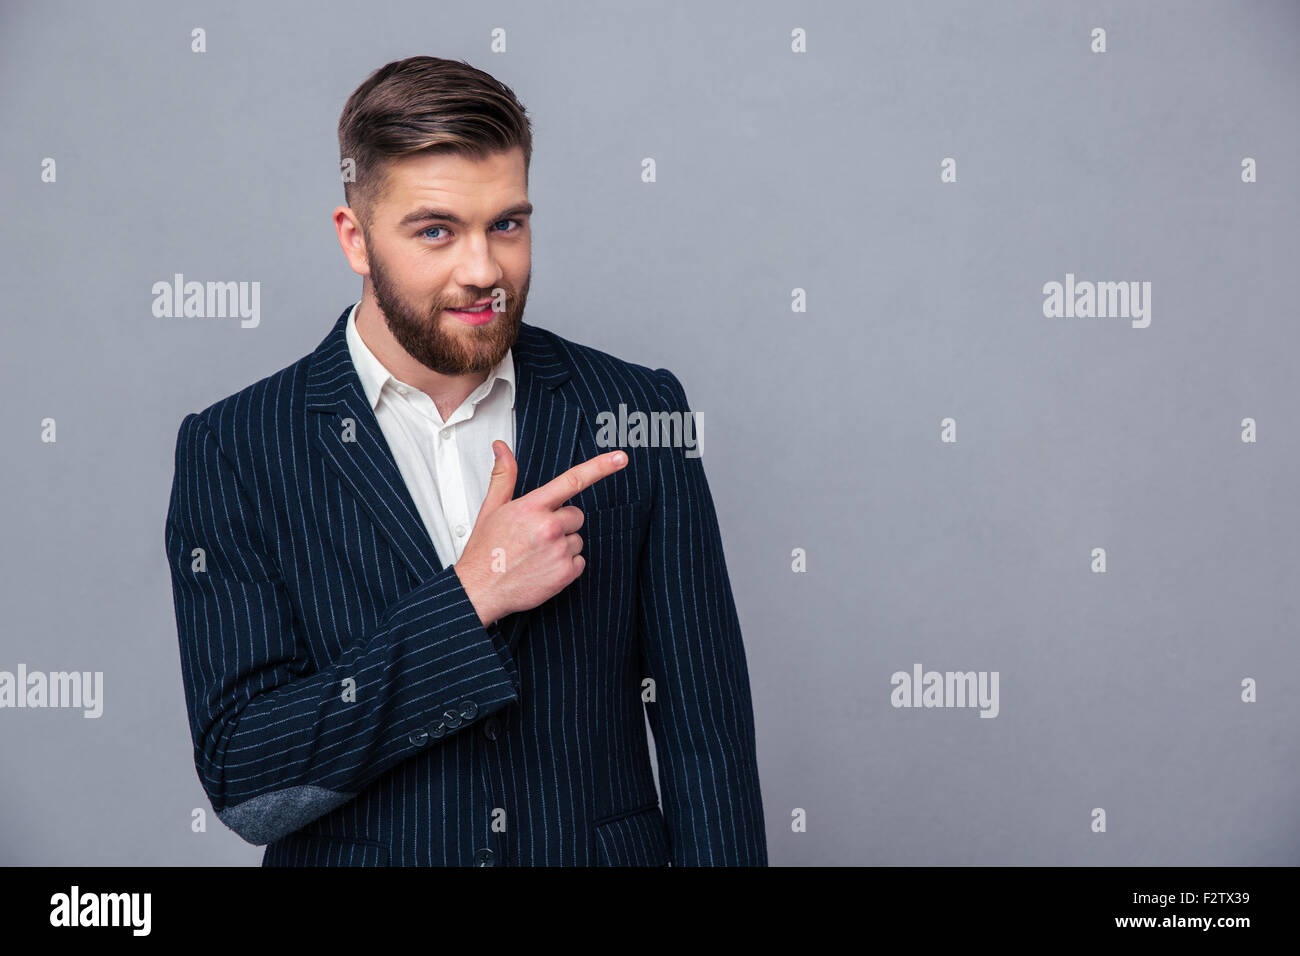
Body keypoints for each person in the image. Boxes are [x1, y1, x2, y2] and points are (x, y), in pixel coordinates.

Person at [164, 55, 766, 866]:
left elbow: (709, 747)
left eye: (506, 225)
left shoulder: (639, 410)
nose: (484, 271)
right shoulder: (235, 448)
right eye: (436, 231)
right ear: (355, 239)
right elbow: (248, 781)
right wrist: (471, 596)